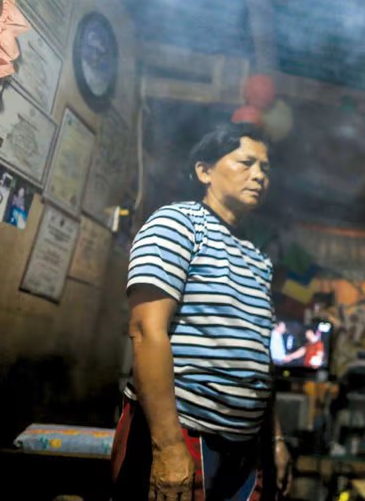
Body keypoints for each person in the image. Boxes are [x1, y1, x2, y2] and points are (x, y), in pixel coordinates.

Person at [111, 122, 292, 501]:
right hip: (183, 434)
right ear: (204, 171)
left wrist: (274, 438)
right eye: (245, 163)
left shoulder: (258, 257)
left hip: (244, 448)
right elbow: (146, 330)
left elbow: (261, 360)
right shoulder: (177, 224)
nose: (259, 175)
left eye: (265, 168)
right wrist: (168, 447)